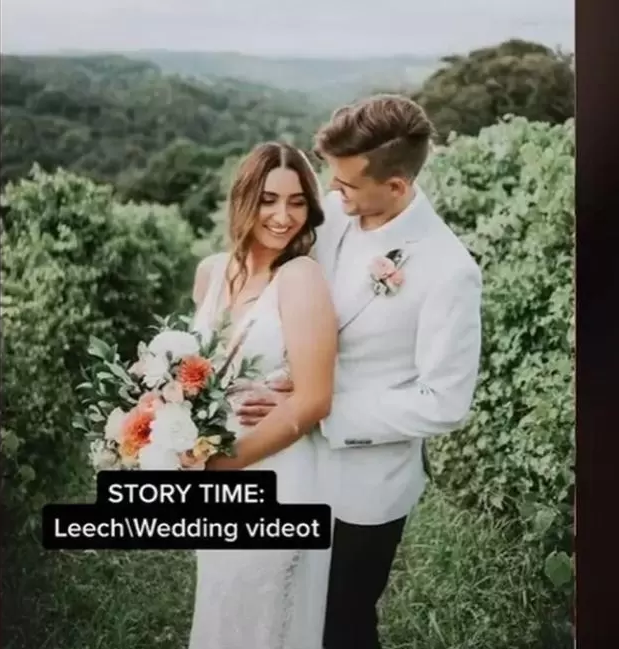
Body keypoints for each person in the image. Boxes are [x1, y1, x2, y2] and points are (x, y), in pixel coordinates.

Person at [233, 95, 483, 649]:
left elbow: (444, 400)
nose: (334, 194)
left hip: (366, 484)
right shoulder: (335, 220)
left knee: (341, 622)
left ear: (395, 186)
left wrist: (319, 409)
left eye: (346, 185)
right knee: (287, 608)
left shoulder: (449, 270)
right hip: (292, 463)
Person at [185, 141, 338, 649]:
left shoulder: (300, 277)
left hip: (279, 473)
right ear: (243, 199)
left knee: (265, 617)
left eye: (297, 202)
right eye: (269, 199)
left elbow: (315, 399)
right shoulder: (210, 274)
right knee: (223, 605)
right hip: (215, 483)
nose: (283, 216)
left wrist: (228, 464)